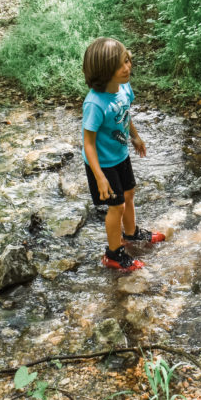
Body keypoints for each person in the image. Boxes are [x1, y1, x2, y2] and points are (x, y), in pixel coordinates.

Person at [81, 37, 164, 272]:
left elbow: (125, 115)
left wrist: (135, 137)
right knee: (115, 206)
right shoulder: (95, 104)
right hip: (102, 164)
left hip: (120, 154)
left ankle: (131, 234)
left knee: (129, 193)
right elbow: (88, 143)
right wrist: (99, 177)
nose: (127, 67)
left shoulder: (124, 88)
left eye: (127, 60)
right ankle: (114, 254)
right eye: (120, 65)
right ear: (105, 72)